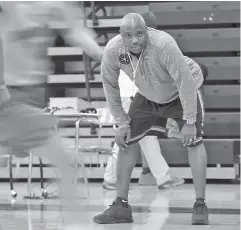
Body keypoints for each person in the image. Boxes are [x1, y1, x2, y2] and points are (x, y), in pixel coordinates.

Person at [93, 13, 209, 225]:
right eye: (129, 35)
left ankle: (200, 204)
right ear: (121, 35)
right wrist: (122, 122)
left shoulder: (163, 44)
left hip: (181, 90)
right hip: (148, 94)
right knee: (125, 140)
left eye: (139, 34)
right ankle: (120, 206)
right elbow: (110, 86)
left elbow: (184, 80)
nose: (135, 40)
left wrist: (190, 121)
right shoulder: (113, 50)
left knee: (194, 142)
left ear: (147, 32)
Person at [0, 2, 103, 229]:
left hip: (33, 93)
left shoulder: (55, 5)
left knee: (64, 160)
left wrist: (101, 54)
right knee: (66, 160)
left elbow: (74, 31)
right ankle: (77, 220)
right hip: (9, 95)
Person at [103, 11, 185, 190]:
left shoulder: (130, 42)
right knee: (128, 139)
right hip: (130, 97)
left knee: (146, 138)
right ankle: (112, 177)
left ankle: (161, 177)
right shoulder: (136, 45)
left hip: (132, 95)